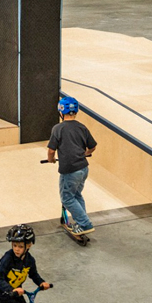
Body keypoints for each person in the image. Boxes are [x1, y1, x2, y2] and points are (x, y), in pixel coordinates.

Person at [48, 97, 97, 236]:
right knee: (76, 195)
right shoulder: (82, 127)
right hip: (83, 168)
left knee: (67, 198)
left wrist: (50, 159)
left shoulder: (58, 128)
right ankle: (82, 222)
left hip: (70, 170)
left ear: (61, 111)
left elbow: (51, 150)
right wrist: (84, 153)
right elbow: (92, 147)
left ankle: (84, 223)